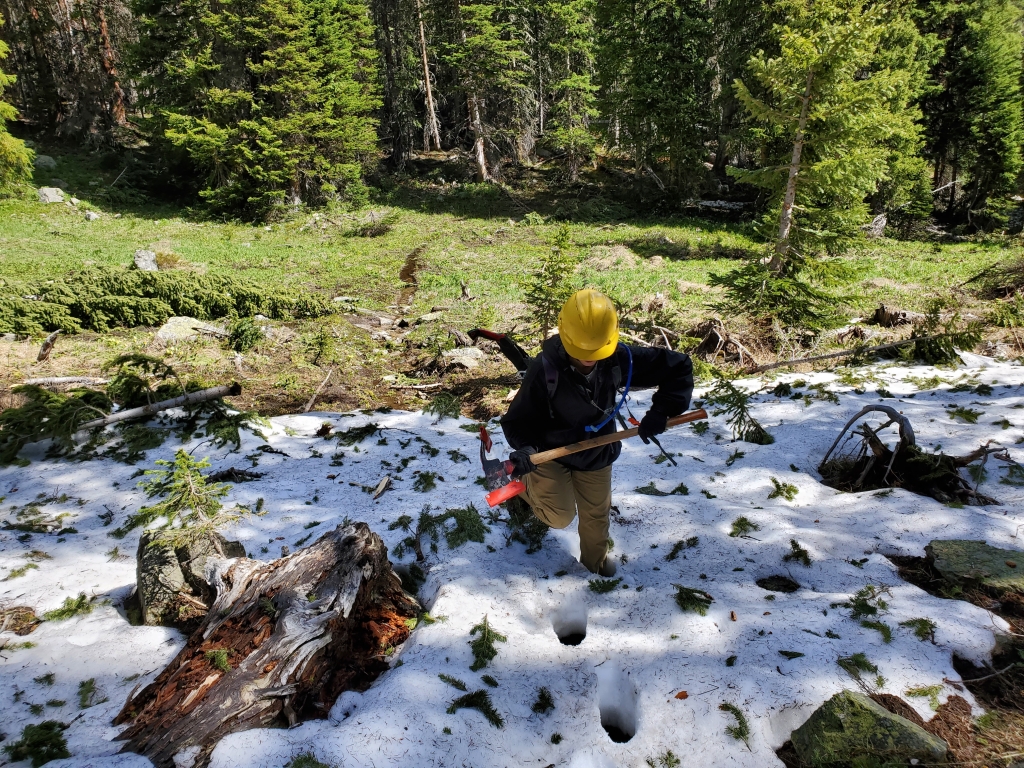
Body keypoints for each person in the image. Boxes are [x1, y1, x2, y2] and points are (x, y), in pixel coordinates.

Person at [500, 289, 694, 576]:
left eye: (596, 353)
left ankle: (595, 571)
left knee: (596, 517)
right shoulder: (545, 369)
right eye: (582, 353)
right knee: (560, 516)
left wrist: (660, 412)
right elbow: (518, 420)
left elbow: (678, 367)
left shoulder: (618, 357)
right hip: (549, 453)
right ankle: (524, 492)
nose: (590, 359)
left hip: (596, 450)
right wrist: (527, 450)